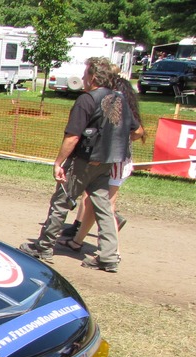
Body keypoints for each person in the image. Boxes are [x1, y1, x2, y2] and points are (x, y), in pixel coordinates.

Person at [19, 57, 141, 273]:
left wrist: (58, 162)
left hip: (83, 162)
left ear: (93, 77)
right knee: (103, 207)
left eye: (85, 74)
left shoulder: (86, 100)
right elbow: (136, 130)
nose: (83, 78)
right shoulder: (120, 99)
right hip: (107, 162)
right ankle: (109, 256)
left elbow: (73, 137)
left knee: (61, 201)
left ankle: (44, 247)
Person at [60, 65, 145, 252]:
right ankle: (77, 240)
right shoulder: (121, 100)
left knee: (106, 205)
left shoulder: (115, 99)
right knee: (93, 200)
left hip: (114, 158)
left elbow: (138, 131)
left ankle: (111, 252)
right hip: (116, 157)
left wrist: (117, 140)